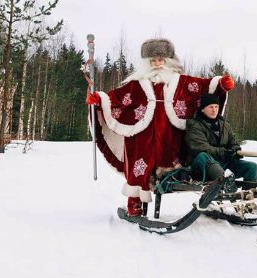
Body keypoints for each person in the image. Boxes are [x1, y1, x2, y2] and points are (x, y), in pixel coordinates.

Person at [86, 38, 235, 217]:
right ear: (147, 63)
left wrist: (220, 84)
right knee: (139, 165)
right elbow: (118, 97)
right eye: (153, 61)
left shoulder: (181, 82)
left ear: (168, 61)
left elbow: (202, 86)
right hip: (142, 134)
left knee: (173, 162)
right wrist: (100, 99)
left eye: (160, 60)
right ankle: (134, 201)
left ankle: (182, 186)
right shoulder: (137, 83)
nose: (157, 64)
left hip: (170, 134)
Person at [183, 93, 257, 185]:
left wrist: (235, 150)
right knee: (203, 155)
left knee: (252, 167)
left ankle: (248, 193)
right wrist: (223, 152)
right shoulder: (194, 125)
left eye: (216, 107)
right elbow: (200, 147)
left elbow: (233, 142)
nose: (214, 110)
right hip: (202, 167)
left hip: (223, 163)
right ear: (202, 109)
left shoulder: (224, 125)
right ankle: (226, 182)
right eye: (211, 107)